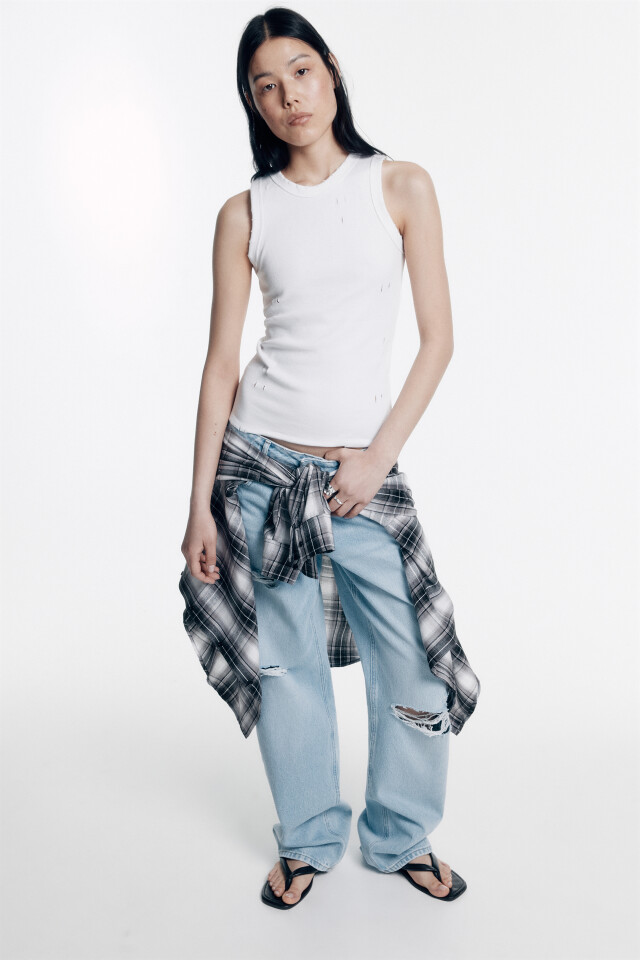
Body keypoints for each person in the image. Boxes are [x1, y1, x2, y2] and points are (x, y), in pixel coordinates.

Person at [179, 7, 480, 909]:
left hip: (360, 476)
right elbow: (222, 364)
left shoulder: (402, 186)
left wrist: (378, 458)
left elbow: (438, 342)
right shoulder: (245, 212)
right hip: (260, 471)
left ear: (333, 70)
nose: (289, 98)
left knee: (413, 661)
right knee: (287, 667)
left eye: (301, 72)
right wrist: (198, 506)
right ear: (253, 102)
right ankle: (308, 837)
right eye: (266, 86)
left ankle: (400, 835)